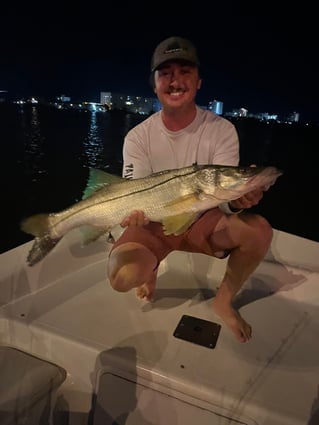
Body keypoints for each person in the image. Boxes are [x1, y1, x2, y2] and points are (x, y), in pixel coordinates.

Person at [106, 36, 273, 343]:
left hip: (201, 221)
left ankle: (223, 302)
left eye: (184, 71)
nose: (175, 80)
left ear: (198, 82)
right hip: (154, 222)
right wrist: (128, 217)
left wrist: (237, 203)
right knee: (120, 277)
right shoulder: (137, 137)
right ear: (154, 84)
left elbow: (222, 199)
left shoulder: (221, 130)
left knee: (259, 230)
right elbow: (133, 194)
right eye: (165, 73)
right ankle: (152, 264)